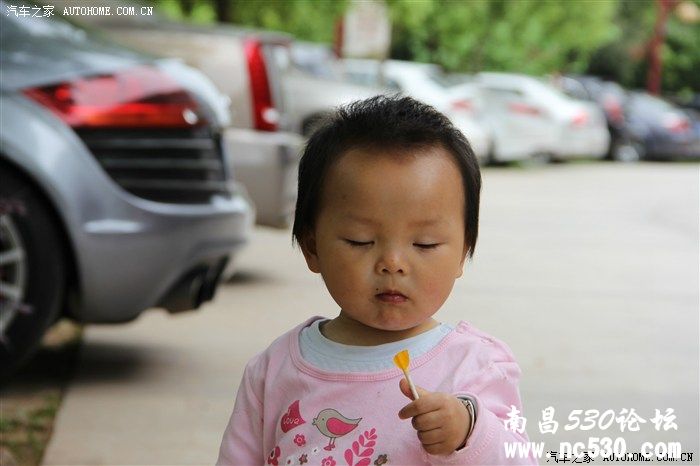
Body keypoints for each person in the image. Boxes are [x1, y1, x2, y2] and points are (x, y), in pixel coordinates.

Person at [217, 95, 535, 465]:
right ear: (311, 247)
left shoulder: (473, 365)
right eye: (360, 241)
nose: (392, 263)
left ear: (463, 252)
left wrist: (470, 430)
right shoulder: (273, 371)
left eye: (425, 244)